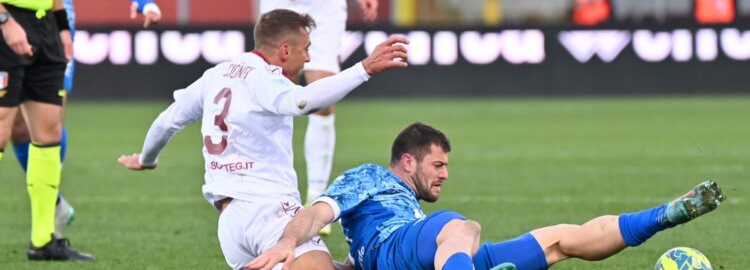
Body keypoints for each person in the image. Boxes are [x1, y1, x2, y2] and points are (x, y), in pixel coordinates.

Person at [117, 9, 408, 270]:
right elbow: (304, 102)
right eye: (305, 49)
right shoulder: (266, 79)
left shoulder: (216, 74)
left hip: (231, 224)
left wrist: (146, 159)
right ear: (284, 50)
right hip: (270, 213)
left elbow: (167, 120)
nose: (308, 58)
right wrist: (364, 69)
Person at [247, 123, 726, 270]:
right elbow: (318, 213)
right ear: (408, 162)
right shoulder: (370, 177)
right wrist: (289, 245)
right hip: (406, 247)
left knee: (559, 240)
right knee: (462, 227)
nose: (445, 175)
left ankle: (668, 213)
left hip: (422, 258)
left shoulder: (408, 205)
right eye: (438, 165)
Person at [1, 0, 162, 238]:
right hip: (8, 18)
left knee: (49, 122)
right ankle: (54, 203)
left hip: (56, 25)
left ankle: (49, 218)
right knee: (12, 128)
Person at [237, 0, 380, 227]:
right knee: (273, 103)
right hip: (281, 13)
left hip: (327, 10)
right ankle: (266, 192)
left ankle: (317, 200)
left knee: (322, 101)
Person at [0, 0, 93, 261]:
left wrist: (63, 29)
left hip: (44, 29)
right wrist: (6, 24)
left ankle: (43, 241)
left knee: (49, 131)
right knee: (4, 128)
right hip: (6, 21)